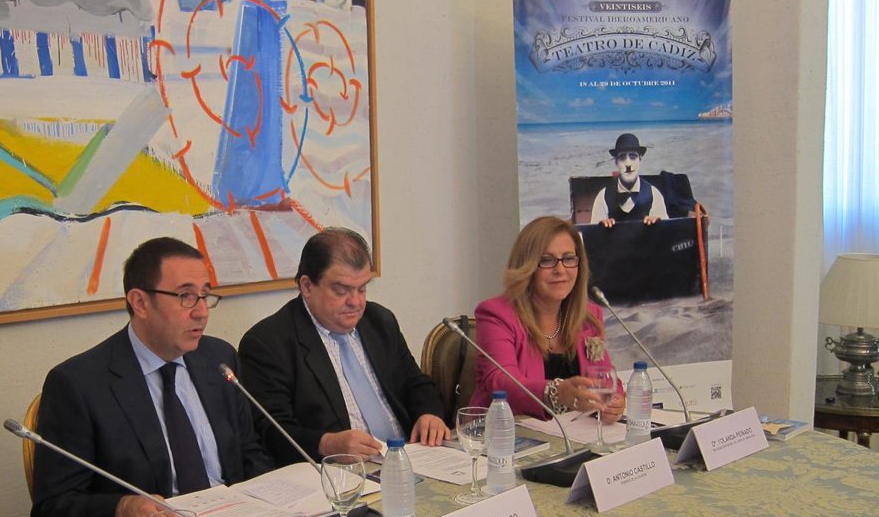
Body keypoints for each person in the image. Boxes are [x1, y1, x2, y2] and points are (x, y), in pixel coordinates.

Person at [31, 237, 272, 517]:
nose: (202, 312)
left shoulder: (218, 358)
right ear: (140, 303)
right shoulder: (78, 384)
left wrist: (276, 506)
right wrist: (121, 507)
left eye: (205, 295)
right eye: (186, 296)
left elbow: (249, 452)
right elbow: (53, 506)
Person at [238, 228, 448, 465]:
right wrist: (325, 444)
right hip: (339, 472)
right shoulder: (268, 343)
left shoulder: (380, 321)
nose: (356, 302)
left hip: (408, 457)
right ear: (307, 286)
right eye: (341, 291)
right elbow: (271, 431)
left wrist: (429, 413)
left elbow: (415, 382)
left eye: (362, 289)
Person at [469, 216, 625, 424]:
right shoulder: (496, 314)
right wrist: (556, 392)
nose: (560, 270)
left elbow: (604, 377)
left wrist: (615, 402)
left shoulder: (588, 316)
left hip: (574, 435)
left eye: (568, 258)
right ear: (527, 266)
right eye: (547, 260)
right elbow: (501, 382)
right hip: (505, 433)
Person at [589, 133, 668, 227]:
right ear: (616, 162)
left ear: (640, 160)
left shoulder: (654, 194)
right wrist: (601, 228)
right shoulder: (603, 196)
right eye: (622, 157)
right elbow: (592, 234)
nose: (628, 164)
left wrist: (658, 226)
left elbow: (667, 233)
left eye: (633, 156)